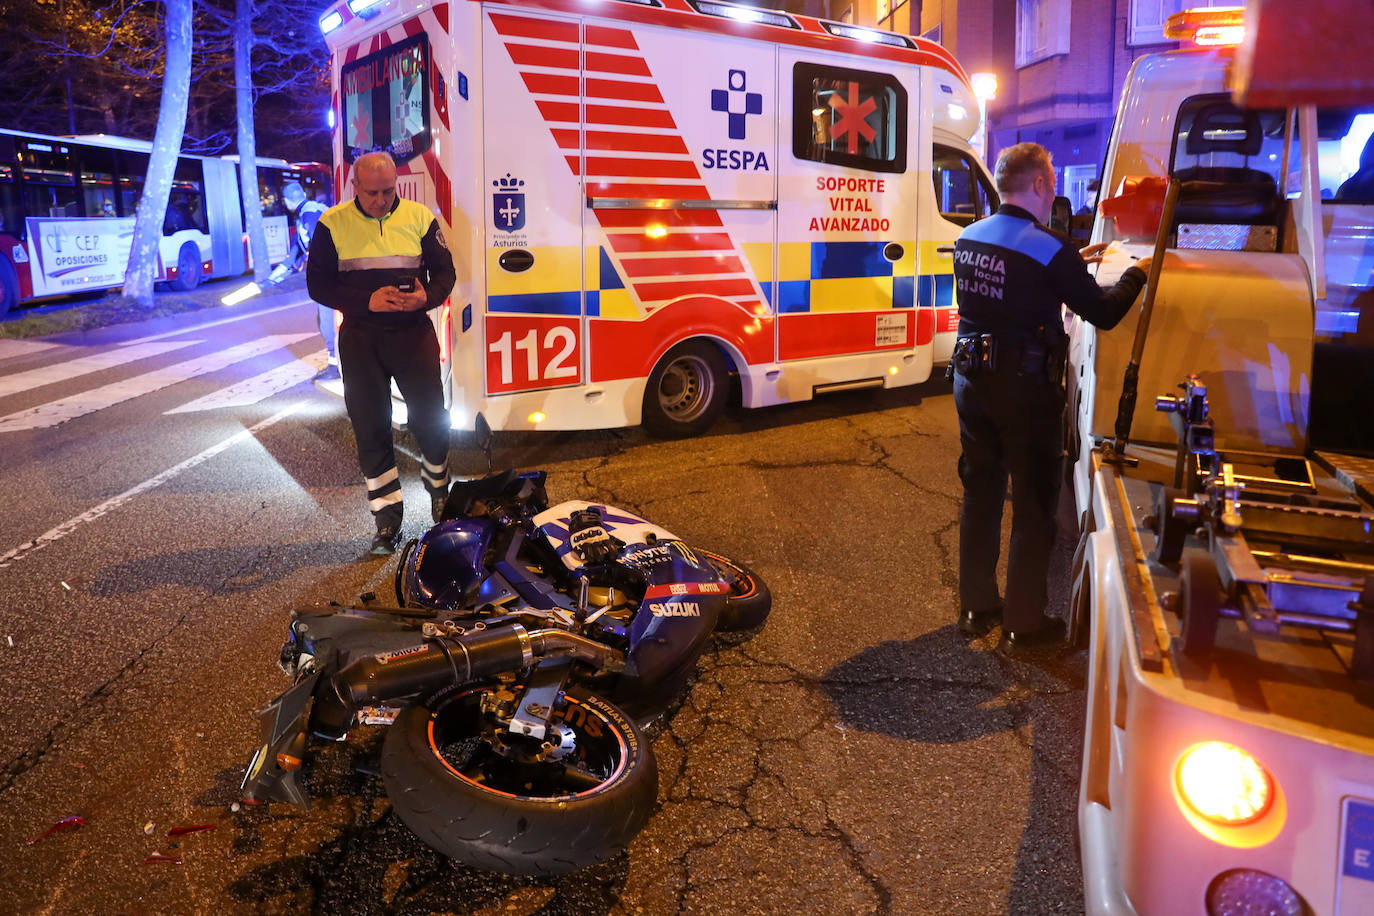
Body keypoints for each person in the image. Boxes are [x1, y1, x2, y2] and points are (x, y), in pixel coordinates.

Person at [950, 143, 1151, 655]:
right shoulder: (1050, 248)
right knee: (1035, 505)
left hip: (970, 383)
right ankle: (1024, 623)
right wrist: (1138, 273)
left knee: (981, 493)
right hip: (1025, 391)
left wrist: (1069, 263)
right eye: (1053, 180)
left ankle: (976, 607)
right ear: (1040, 184)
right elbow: (1102, 312)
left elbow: (1011, 285)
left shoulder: (969, 237)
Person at [307, 151, 457, 555]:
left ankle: (440, 488)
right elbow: (317, 285)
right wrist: (366, 301)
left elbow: (446, 273)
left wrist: (428, 296)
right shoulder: (332, 224)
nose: (380, 200)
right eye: (372, 193)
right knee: (371, 428)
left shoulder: (419, 217)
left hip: (412, 334)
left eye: (388, 191)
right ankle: (387, 521)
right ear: (354, 186)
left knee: (432, 418)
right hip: (361, 338)